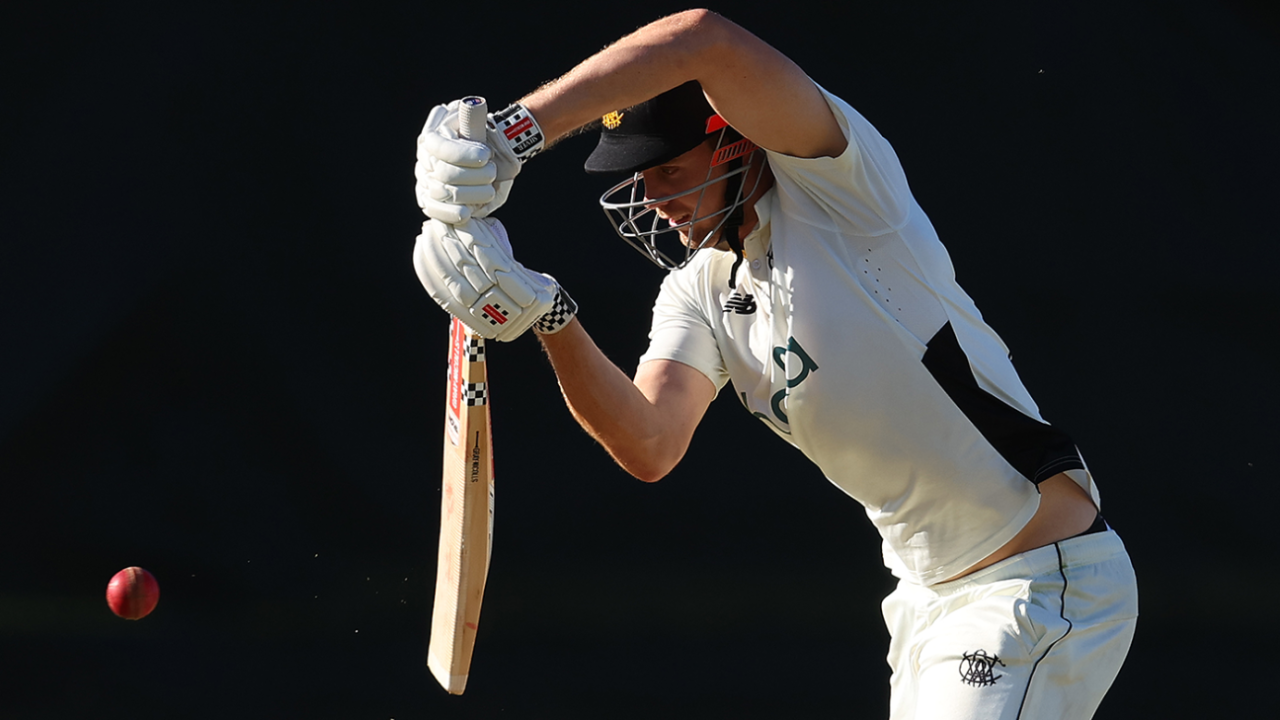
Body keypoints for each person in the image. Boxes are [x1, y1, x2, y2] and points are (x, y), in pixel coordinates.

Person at [412, 9, 1138, 719]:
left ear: (731, 143)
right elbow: (650, 443)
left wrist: (515, 133)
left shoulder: (843, 193)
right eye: (639, 177)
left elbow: (703, 38)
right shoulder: (698, 290)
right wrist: (549, 317)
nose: (654, 198)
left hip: (1035, 585)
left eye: (667, 168)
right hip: (925, 604)